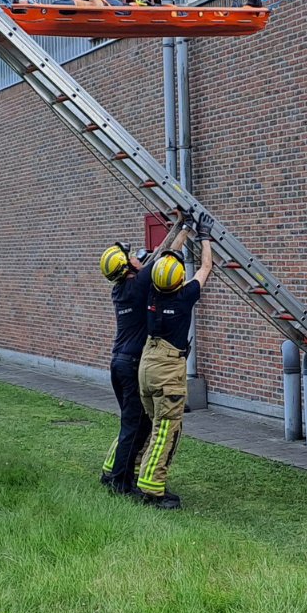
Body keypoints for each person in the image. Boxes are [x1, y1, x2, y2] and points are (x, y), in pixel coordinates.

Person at [99, 211, 191, 495]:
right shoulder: (139, 285)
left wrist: (178, 225)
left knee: (133, 423)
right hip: (132, 365)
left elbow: (155, 255)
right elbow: (165, 255)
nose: (138, 256)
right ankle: (120, 482)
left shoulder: (121, 289)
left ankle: (113, 472)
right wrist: (184, 229)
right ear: (128, 267)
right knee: (135, 425)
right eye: (132, 257)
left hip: (119, 363)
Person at [135, 211, 215, 509]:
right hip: (168, 370)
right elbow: (206, 267)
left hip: (148, 365)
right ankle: (153, 488)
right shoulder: (184, 297)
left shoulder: (151, 291)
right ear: (180, 278)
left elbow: (165, 258)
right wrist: (205, 236)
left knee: (153, 425)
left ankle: (137, 472)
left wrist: (185, 230)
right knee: (166, 430)